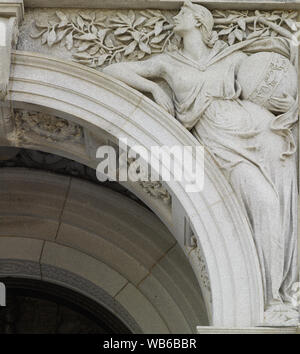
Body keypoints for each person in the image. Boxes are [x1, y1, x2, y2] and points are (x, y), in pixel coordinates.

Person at [103, 0, 298, 324]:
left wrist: (286, 100)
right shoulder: (168, 63)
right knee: (261, 200)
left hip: (256, 132)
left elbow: (269, 75)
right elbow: (113, 70)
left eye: (184, 12)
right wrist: (153, 88)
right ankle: (269, 295)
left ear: (200, 23)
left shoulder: (232, 58)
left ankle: (276, 298)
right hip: (218, 145)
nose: (177, 15)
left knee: (274, 203)